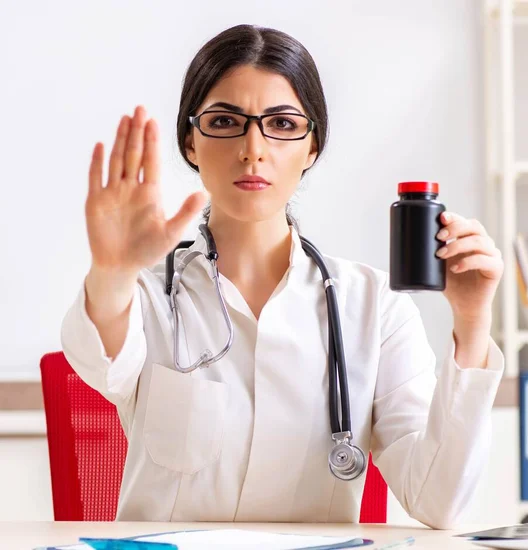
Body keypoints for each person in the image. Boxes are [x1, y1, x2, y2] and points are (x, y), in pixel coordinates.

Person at [61, 24, 505, 528]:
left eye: (283, 124)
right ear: (190, 142)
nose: (253, 147)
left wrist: (472, 324)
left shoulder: (373, 307)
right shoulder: (142, 295)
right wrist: (112, 270)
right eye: (226, 121)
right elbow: (101, 362)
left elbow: (439, 502)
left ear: (312, 147)